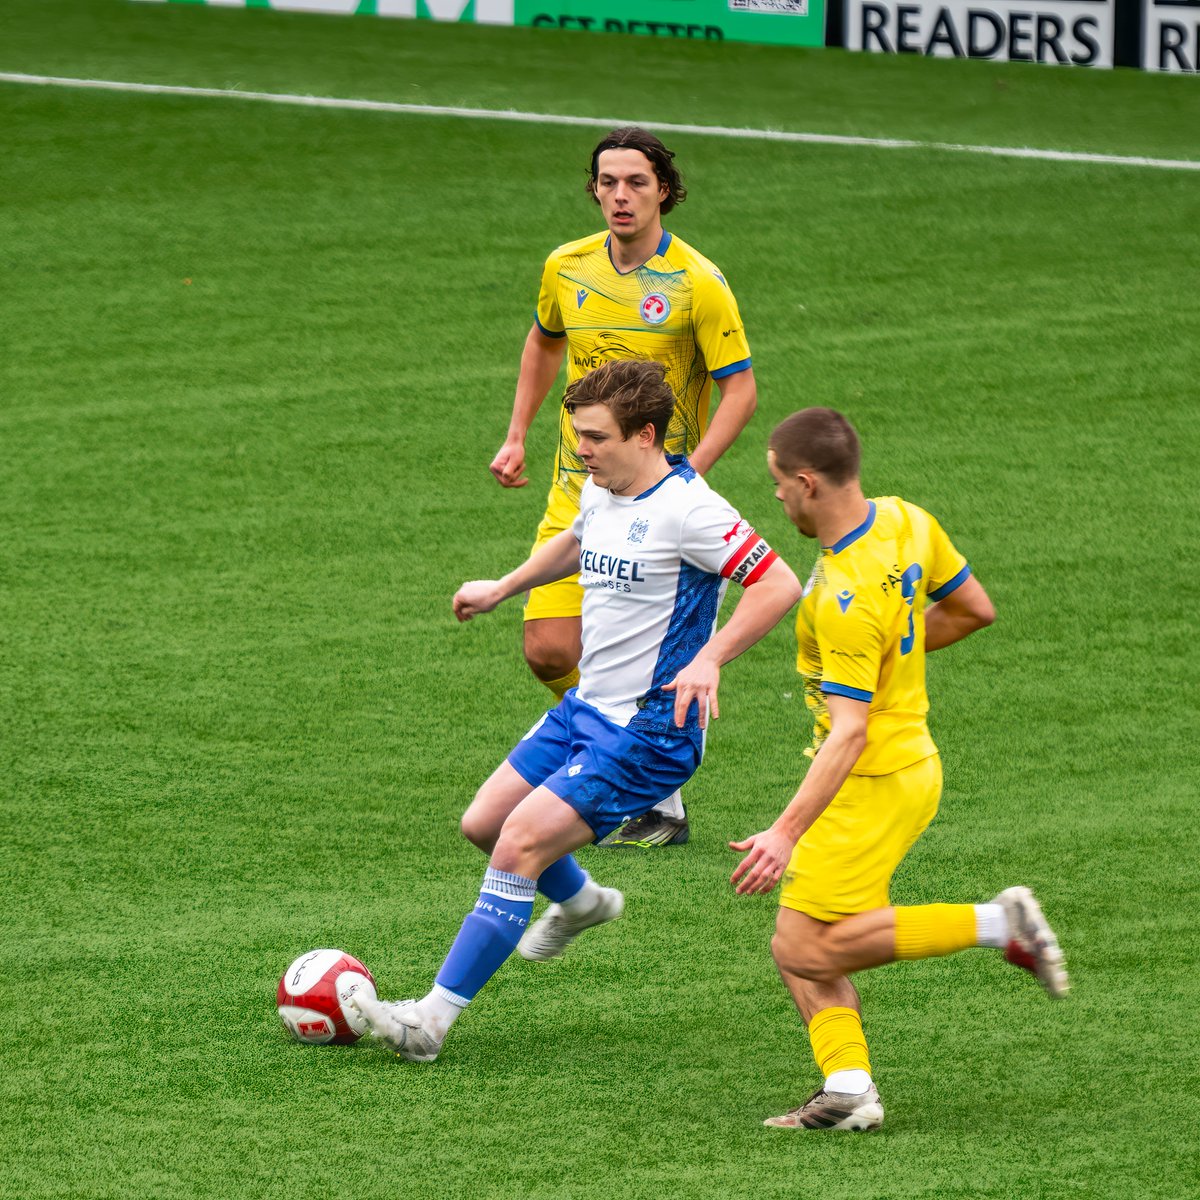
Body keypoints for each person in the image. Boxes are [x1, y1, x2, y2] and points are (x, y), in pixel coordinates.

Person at [352, 360, 801, 1062]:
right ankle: (584, 901)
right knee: (485, 822)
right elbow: (578, 540)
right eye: (577, 435)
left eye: (595, 437)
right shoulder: (602, 487)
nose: (581, 450)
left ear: (646, 435)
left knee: (520, 843)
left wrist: (711, 657)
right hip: (586, 708)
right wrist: (505, 587)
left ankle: (430, 1022)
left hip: (650, 732)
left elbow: (779, 581)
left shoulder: (693, 510)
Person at [730, 408, 1068, 1132]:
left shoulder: (843, 596)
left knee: (799, 945)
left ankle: (997, 923)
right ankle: (849, 1090)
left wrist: (786, 831)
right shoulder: (906, 519)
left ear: (807, 482)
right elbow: (973, 609)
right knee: (812, 945)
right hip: (912, 762)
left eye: (778, 486)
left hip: (869, 782)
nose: (777, 500)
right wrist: (894, 664)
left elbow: (848, 733)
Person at [489, 126, 758, 848]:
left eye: (636, 182)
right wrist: (516, 433)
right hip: (577, 492)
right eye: (607, 182)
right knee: (547, 648)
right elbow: (546, 339)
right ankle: (622, 764)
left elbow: (741, 391)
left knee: (640, 661)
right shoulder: (566, 267)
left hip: (656, 510)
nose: (619, 195)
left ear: (664, 189)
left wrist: (688, 475)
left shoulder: (697, 282)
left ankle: (644, 781)